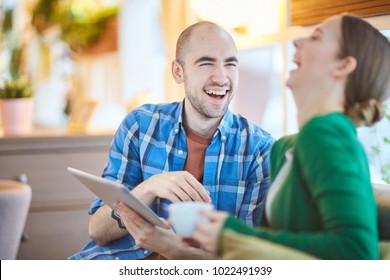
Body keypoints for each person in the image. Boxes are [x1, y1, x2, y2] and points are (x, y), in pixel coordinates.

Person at [69, 21, 274, 260]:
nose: (221, 77)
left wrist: (174, 250)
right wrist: (150, 187)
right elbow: (98, 231)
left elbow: (248, 262)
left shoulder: (258, 151)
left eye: (230, 64)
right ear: (178, 72)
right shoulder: (140, 125)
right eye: (206, 63)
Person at [192, 14, 390, 260]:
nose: (297, 42)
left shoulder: (325, 134)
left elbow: (356, 252)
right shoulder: (286, 147)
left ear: (343, 66)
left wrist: (232, 234)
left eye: (316, 37)